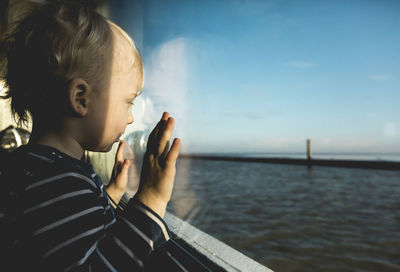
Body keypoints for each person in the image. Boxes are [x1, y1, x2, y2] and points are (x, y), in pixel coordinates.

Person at [0, 1, 184, 271]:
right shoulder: (57, 184)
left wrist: (110, 194)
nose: (131, 117)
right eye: (128, 102)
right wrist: (152, 198)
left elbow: (73, 233)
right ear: (80, 98)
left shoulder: (38, 170)